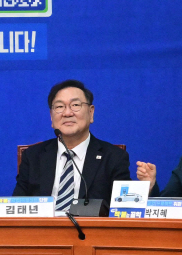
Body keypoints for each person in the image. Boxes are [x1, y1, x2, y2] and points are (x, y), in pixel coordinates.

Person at [12, 79, 131, 210]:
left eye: (75, 105)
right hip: (44, 223)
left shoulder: (114, 157)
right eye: (59, 107)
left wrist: (146, 188)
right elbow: (17, 206)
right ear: (51, 116)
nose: (67, 113)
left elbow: (123, 208)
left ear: (91, 112)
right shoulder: (33, 156)